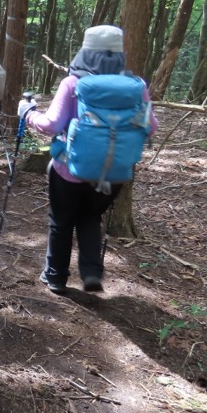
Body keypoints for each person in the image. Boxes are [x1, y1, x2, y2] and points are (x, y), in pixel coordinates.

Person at [18, 24, 158, 294]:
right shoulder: (136, 85)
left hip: (69, 169)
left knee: (61, 221)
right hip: (114, 173)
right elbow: (151, 127)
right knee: (91, 217)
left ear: (85, 52)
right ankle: (91, 272)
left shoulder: (73, 82)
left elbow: (50, 124)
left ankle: (55, 277)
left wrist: (27, 112)